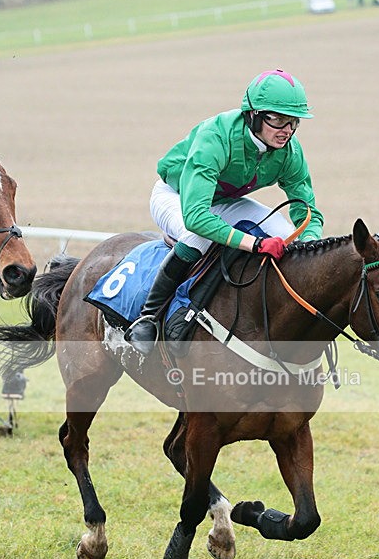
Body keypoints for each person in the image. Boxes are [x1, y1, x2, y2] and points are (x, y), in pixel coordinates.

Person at [125, 68, 324, 355]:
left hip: (225, 201)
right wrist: (255, 244)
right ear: (253, 115)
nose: (287, 130)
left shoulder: (290, 152)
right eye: (278, 120)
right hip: (176, 197)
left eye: (293, 122)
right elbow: (196, 217)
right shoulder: (216, 136)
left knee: (284, 232)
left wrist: (310, 245)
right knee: (199, 237)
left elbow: (307, 212)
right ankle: (148, 318)